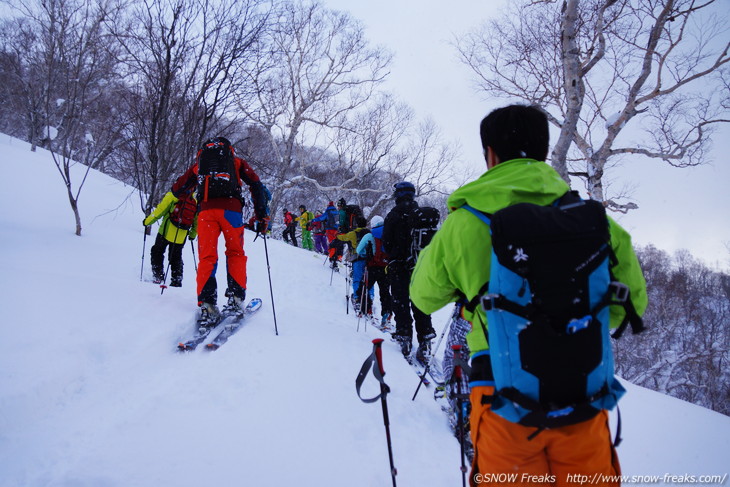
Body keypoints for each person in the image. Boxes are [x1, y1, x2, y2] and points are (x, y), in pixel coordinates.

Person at [409, 105, 648, 486]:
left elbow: (422, 298)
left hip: (502, 396)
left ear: (490, 154)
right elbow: (629, 306)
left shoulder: (463, 222)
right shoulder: (592, 221)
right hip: (582, 395)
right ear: (543, 149)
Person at [172, 136, 270, 326]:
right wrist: (261, 215)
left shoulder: (199, 166)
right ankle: (235, 299)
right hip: (231, 212)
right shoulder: (237, 162)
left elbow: (177, 189)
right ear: (229, 150)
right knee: (235, 253)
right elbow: (256, 184)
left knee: (207, 257)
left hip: (206, 213)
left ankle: (207, 304)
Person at [382, 181, 436, 363]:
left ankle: (405, 337)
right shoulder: (421, 215)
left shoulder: (393, 215)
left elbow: (386, 244)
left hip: (399, 267)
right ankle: (425, 340)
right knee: (420, 302)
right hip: (420, 267)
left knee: (401, 302)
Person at [143, 189, 198, 287]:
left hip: (165, 232)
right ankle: (177, 280)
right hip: (181, 235)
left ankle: (158, 276)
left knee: (157, 252)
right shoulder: (195, 200)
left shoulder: (173, 195)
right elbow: (196, 220)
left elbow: (159, 211)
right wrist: (193, 234)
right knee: (176, 257)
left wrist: (147, 222)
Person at [355, 215, 392, 327]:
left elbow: (358, 250)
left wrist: (365, 254)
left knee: (364, 288)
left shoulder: (369, 235)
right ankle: (387, 314)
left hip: (372, 267)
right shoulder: (390, 233)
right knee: (385, 292)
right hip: (386, 268)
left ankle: (367, 310)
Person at [336, 216, 371, 311]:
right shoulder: (369, 233)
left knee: (357, 279)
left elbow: (343, 237)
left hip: (357, 258)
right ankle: (370, 297)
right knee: (368, 280)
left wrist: (337, 234)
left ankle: (357, 298)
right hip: (368, 259)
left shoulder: (353, 233)